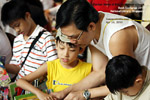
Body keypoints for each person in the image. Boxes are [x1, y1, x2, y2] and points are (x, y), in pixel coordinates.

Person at [50, 0, 150, 99]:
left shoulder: (116, 37)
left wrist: (85, 94)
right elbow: (100, 72)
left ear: (91, 26)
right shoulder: (91, 31)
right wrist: (65, 92)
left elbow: (124, 81)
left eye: (74, 37)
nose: (72, 42)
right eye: (68, 37)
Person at [16, 30, 92, 100]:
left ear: (81, 50)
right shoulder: (51, 66)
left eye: (72, 50)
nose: (65, 54)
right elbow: (20, 81)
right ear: (56, 45)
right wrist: (39, 93)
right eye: (62, 48)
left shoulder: (88, 69)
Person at [1, 0, 57, 80]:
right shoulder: (17, 40)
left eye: (17, 25)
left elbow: (53, 64)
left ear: (27, 15)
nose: (17, 30)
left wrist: (27, 79)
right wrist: (3, 65)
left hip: (37, 87)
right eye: (13, 27)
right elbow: (17, 67)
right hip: (21, 88)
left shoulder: (46, 37)